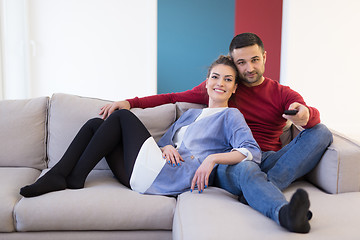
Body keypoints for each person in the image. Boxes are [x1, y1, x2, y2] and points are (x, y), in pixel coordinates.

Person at [99, 33, 333, 233]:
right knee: (246, 168)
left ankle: (257, 189)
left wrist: (304, 115)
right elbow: (171, 97)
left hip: (270, 158)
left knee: (321, 132)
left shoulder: (281, 92)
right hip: (230, 160)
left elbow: (305, 112)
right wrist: (130, 102)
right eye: (241, 63)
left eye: (254, 60)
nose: (249, 68)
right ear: (233, 62)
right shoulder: (224, 87)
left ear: (264, 57)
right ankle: (283, 212)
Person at [20, 55, 261, 199]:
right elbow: (162, 143)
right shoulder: (191, 115)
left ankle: (69, 176)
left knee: (123, 117)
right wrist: (166, 146)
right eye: (215, 77)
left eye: (228, 79)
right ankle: (67, 177)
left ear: (234, 88)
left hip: (166, 177)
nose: (220, 83)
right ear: (206, 82)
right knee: (96, 124)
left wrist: (212, 160)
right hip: (144, 173)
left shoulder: (231, 115)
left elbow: (252, 151)